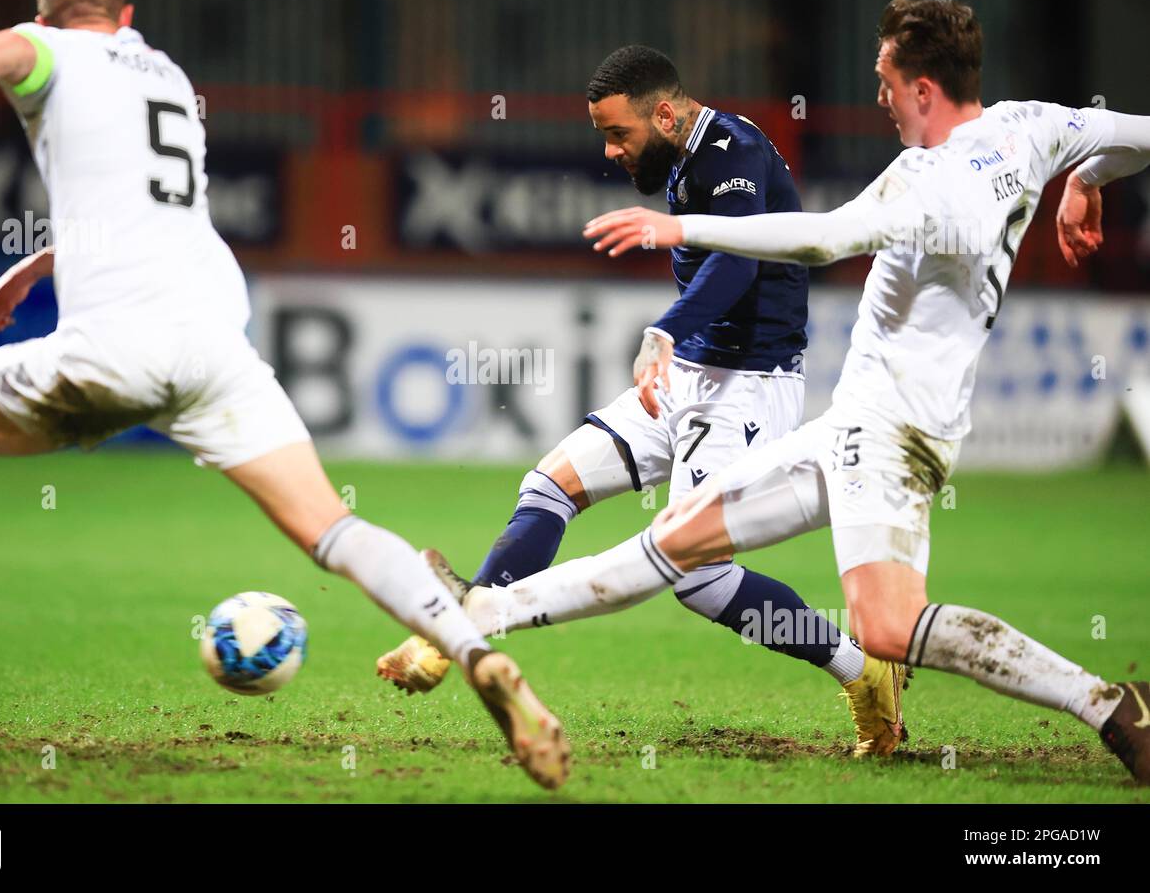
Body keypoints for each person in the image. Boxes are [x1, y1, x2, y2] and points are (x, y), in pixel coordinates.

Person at [0, 0, 569, 791]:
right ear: (128, 18)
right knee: (331, 529)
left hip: (117, 345)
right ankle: (472, 651)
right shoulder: (164, 76)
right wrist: (37, 266)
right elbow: (144, 207)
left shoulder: (48, 48)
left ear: (50, 20)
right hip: (215, 344)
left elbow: (13, 53)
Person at [376, 45, 909, 757]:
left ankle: (863, 670)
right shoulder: (685, 159)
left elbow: (740, 260)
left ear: (664, 113)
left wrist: (664, 329)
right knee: (552, 484)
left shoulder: (734, 150)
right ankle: (460, 631)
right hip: (687, 372)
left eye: (619, 132)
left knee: (702, 579)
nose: (610, 150)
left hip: (746, 386)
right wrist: (675, 342)